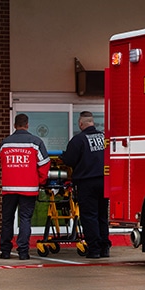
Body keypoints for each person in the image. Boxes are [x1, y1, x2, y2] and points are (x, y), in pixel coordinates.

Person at [0, 113, 50, 260]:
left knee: (7, 219)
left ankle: (5, 251)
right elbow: (44, 164)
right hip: (28, 188)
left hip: (9, 189)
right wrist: (41, 181)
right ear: (27, 125)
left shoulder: (5, 143)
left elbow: (3, 162)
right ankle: (23, 252)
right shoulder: (35, 142)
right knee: (25, 219)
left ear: (14, 125)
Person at [61, 110, 110, 258]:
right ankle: (104, 248)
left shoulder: (79, 140)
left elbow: (69, 160)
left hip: (87, 183)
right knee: (102, 216)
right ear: (92, 123)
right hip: (105, 181)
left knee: (89, 216)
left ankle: (94, 249)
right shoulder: (104, 137)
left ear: (81, 124)